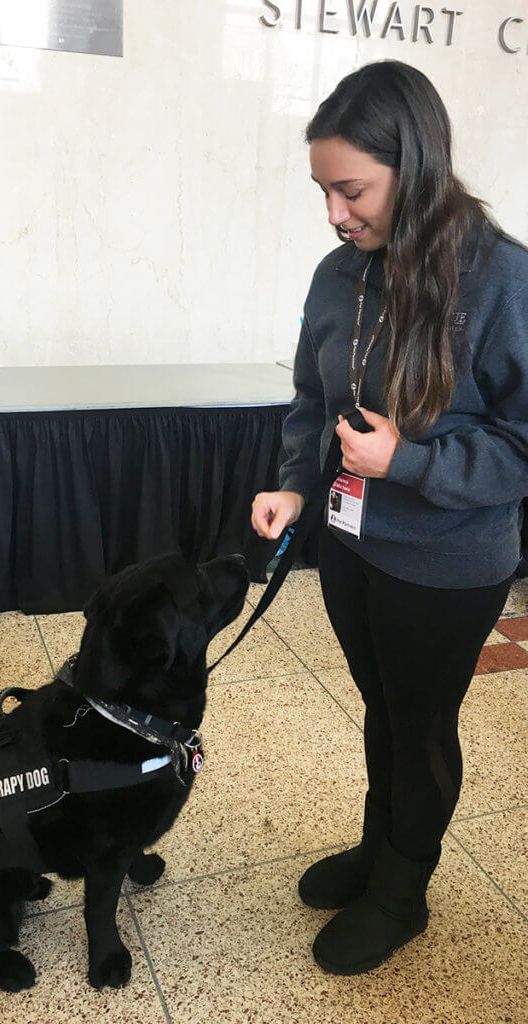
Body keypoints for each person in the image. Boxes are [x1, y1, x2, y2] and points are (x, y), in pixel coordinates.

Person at [251, 60, 528, 976]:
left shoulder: (500, 281)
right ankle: (380, 849)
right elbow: (308, 393)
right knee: (383, 708)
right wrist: (297, 479)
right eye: (325, 190)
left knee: (421, 722)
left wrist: (407, 462)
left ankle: (404, 889)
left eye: (352, 189)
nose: (335, 211)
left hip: (448, 562)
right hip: (350, 541)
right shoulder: (340, 272)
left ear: (416, 167)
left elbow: (520, 445)